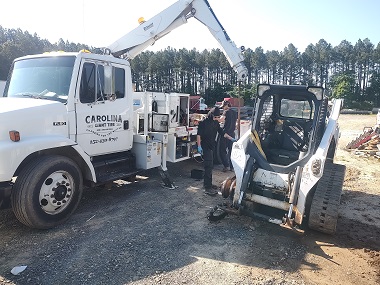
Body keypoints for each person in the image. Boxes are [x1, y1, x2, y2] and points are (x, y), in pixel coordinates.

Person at [197, 107, 235, 196]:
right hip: (205, 146)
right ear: (211, 115)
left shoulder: (215, 123)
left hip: (212, 146)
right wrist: (199, 146)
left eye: (217, 117)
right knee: (208, 166)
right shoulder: (203, 123)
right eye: (215, 117)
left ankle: (209, 184)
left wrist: (231, 138)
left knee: (211, 166)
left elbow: (222, 132)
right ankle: (207, 187)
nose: (216, 119)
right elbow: (199, 135)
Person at [219, 100, 238, 172]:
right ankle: (232, 167)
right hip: (232, 133)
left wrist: (215, 118)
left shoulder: (226, 112)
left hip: (225, 134)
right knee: (231, 151)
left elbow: (221, 120)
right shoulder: (234, 112)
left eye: (223, 106)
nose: (223, 108)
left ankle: (226, 166)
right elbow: (235, 123)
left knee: (222, 150)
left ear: (226, 105)